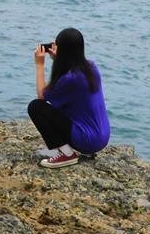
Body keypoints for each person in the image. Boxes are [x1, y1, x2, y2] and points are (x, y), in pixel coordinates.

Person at [27, 28, 109, 169]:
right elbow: (65, 87)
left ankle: (67, 154)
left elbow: (42, 96)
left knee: (36, 107)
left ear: (63, 52)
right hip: (102, 137)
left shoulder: (70, 79)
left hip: (86, 140)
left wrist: (39, 65)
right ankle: (75, 150)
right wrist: (59, 60)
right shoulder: (92, 67)